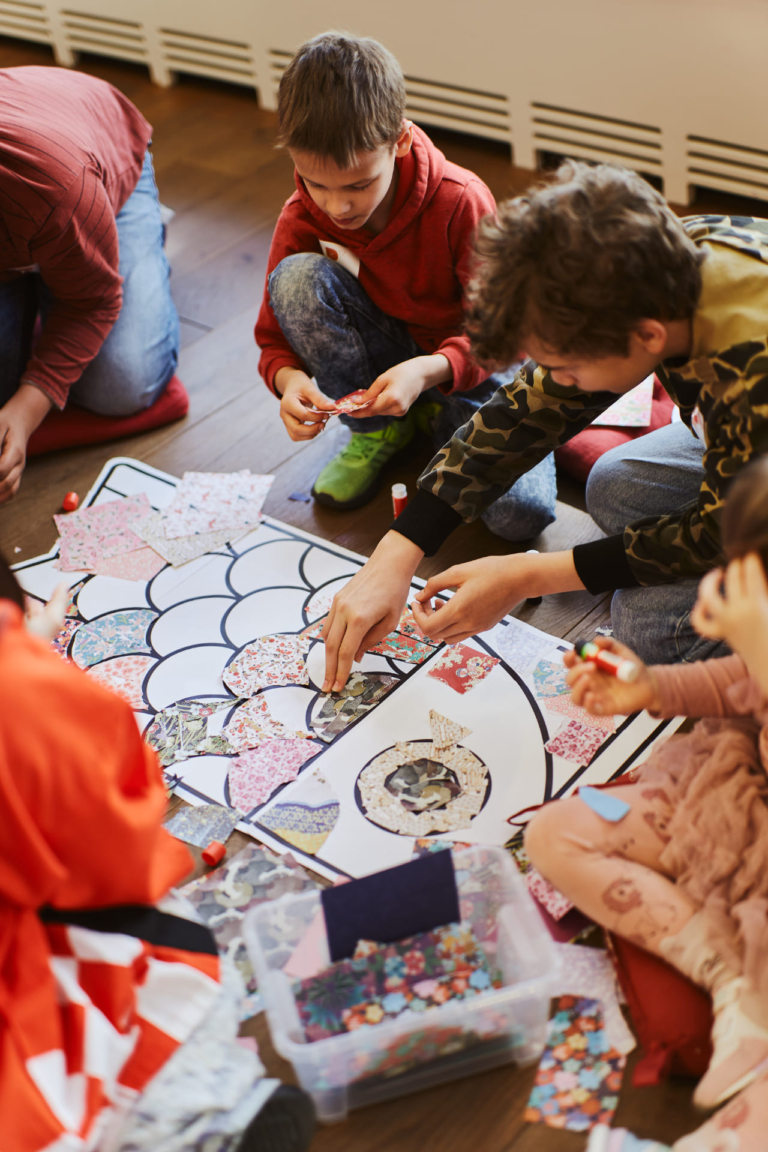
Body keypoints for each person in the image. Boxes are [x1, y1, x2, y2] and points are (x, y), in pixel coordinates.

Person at [319, 160, 768, 692]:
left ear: (646, 337)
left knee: (649, 628)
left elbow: (714, 533)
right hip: (746, 464)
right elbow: (530, 409)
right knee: (615, 482)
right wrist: (398, 550)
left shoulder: (748, 376)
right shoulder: (665, 261)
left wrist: (529, 574)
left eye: (566, 368)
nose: (553, 380)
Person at [0, 556, 314, 1152]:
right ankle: (200, 1125)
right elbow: (118, 851)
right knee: (187, 977)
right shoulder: (21, 686)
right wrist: (29, 664)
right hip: (25, 996)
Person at [524, 457, 768, 1115]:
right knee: (553, 833)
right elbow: (737, 681)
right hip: (742, 794)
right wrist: (652, 687)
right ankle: (731, 982)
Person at [255, 32, 556, 522]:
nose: (337, 206)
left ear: (401, 139)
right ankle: (380, 430)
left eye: (358, 184)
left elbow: (506, 335)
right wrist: (288, 382)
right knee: (295, 279)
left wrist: (428, 372)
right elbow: (273, 339)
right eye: (315, 183)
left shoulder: (461, 200)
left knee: (519, 516)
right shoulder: (302, 216)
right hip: (389, 357)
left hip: (469, 365)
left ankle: (439, 417)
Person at [0, 66, 180, 505]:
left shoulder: (54, 184)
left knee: (121, 384)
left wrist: (25, 412)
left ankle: (116, 240)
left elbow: (92, 304)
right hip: (43, 203)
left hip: (96, 156)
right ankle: (50, 261)